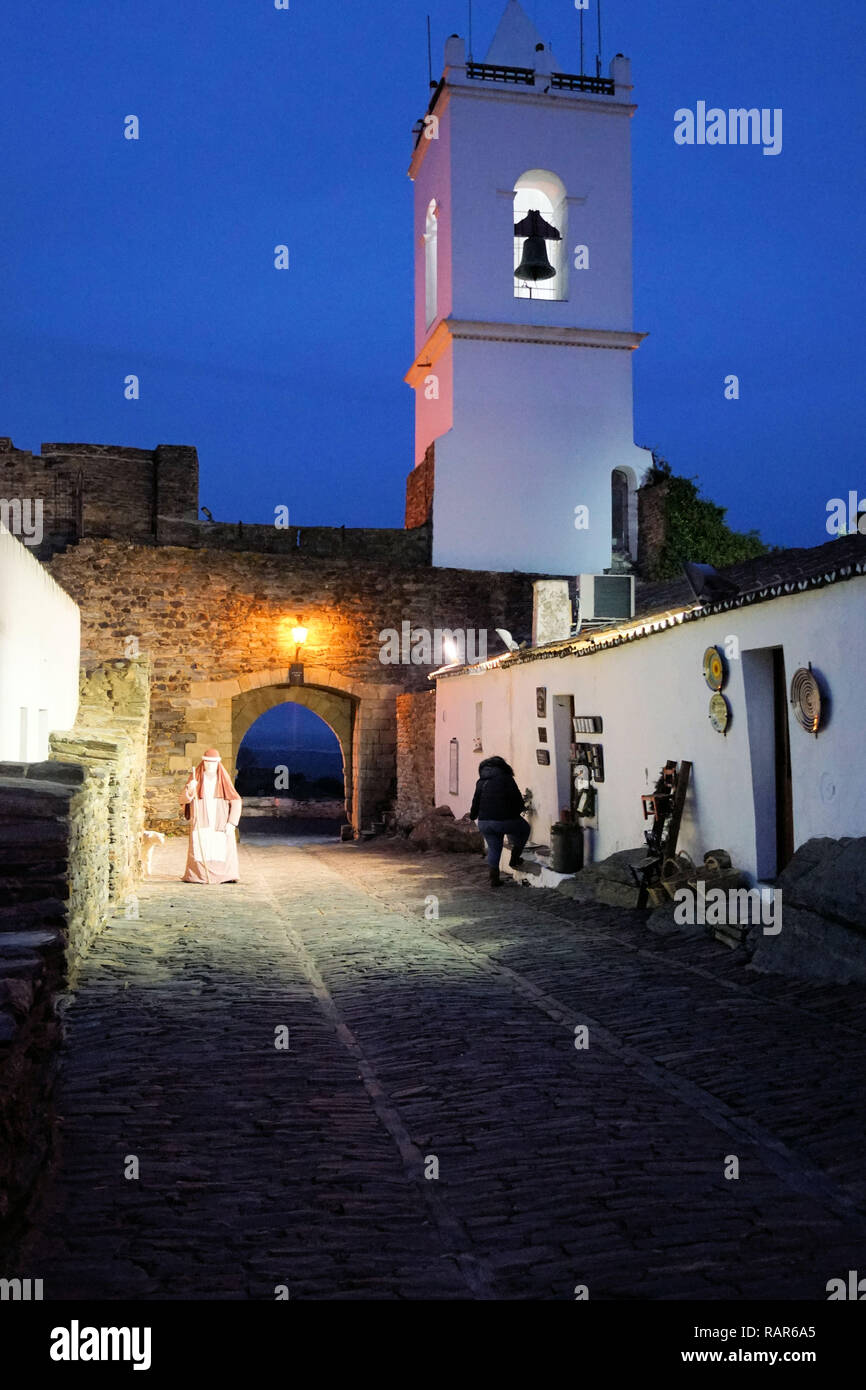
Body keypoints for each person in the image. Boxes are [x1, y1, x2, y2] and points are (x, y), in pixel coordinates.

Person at [180, 749, 243, 884]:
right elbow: (183, 799)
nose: (210, 766)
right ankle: (199, 875)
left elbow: (236, 800)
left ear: (218, 764)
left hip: (219, 819)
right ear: (203, 763)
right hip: (201, 818)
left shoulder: (223, 780)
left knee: (220, 846)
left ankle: (225, 875)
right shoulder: (195, 779)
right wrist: (190, 789)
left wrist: (232, 823)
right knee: (201, 844)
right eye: (207, 762)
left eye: (213, 763)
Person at [468, 755, 530, 887]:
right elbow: (517, 799)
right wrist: (517, 811)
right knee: (524, 829)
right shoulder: (507, 779)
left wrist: (473, 816)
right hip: (504, 821)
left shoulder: (481, 782)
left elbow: (475, 802)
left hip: (484, 822)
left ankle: (494, 879)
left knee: (494, 848)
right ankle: (515, 859)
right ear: (502, 767)